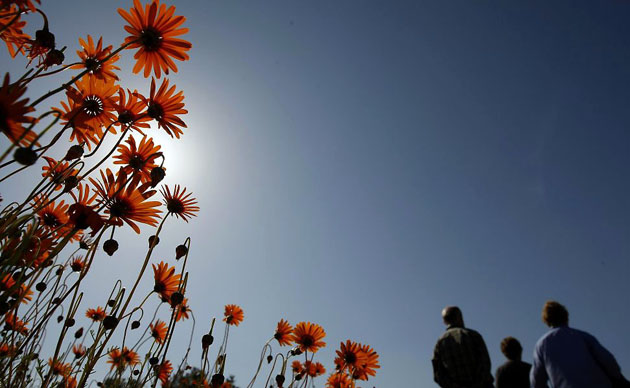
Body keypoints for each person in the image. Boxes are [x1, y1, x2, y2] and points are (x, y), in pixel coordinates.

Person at [531, 300, 627, 388]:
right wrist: (617, 378)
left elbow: (536, 380)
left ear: (547, 320)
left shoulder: (542, 345)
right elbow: (608, 361)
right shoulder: (583, 336)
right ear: (566, 316)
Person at [432, 306, 494, 388]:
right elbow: (485, 363)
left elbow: (438, 374)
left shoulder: (439, 343)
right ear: (460, 317)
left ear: (444, 321)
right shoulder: (473, 335)